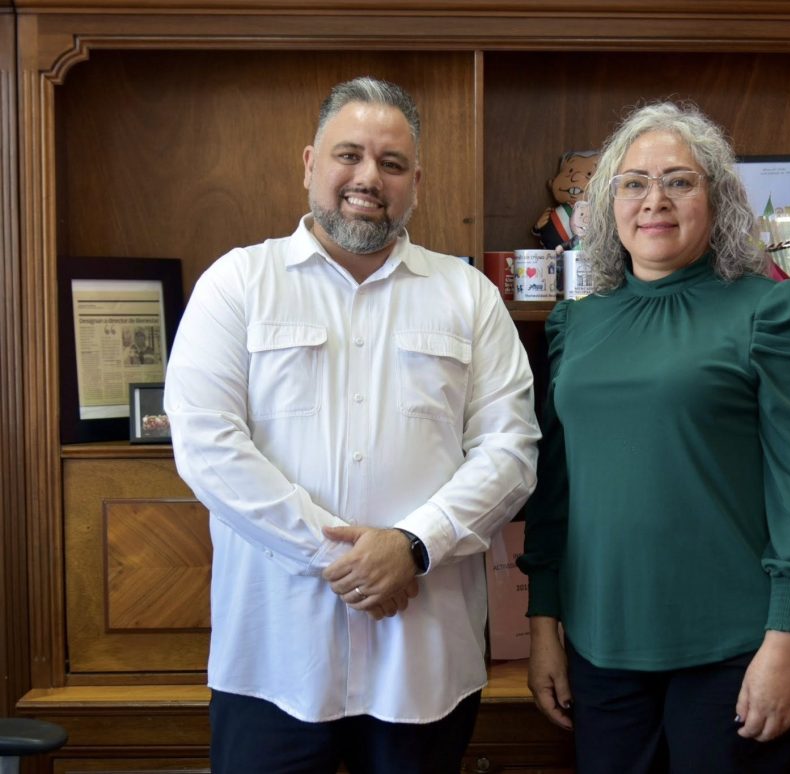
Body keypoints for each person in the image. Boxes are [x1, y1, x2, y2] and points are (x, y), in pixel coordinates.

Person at [164, 76, 540, 774]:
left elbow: (510, 451)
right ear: (310, 163)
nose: (369, 177)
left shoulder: (469, 297)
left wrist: (413, 547)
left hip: (422, 667)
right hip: (275, 661)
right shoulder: (237, 284)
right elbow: (208, 448)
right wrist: (348, 560)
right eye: (349, 155)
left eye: (391, 163)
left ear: (415, 183)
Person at [517, 101, 790, 774]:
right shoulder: (576, 325)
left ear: (717, 199)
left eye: (679, 180)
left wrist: (788, 642)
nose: (654, 200)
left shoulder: (770, 312)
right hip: (600, 655)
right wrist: (544, 625)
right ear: (608, 204)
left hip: (738, 653)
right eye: (634, 183)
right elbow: (555, 492)